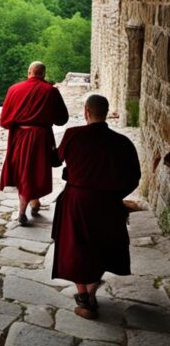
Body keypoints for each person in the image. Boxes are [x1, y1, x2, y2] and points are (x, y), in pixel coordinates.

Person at [51, 94, 140, 320]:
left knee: (77, 248)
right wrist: (115, 196)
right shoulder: (122, 142)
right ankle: (91, 290)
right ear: (107, 112)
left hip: (76, 201)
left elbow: (55, 160)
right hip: (107, 203)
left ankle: (84, 297)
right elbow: (134, 178)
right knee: (102, 245)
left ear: (86, 112)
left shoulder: (73, 135)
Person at [0, 61, 69, 226]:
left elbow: (4, 120)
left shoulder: (14, 89)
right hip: (41, 138)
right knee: (34, 171)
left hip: (20, 136)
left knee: (24, 171)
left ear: (29, 72)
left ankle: (30, 204)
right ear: (43, 74)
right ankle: (25, 208)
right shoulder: (51, 92)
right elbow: (62, 119)